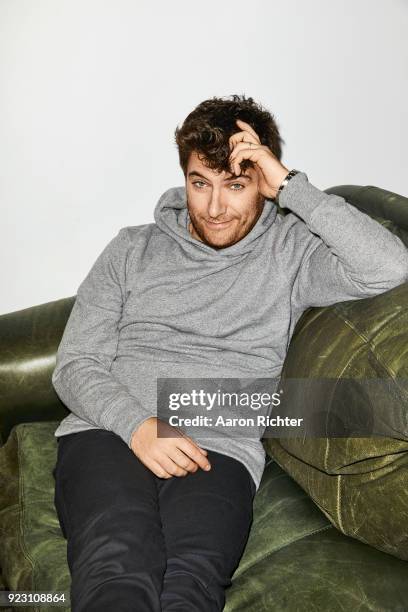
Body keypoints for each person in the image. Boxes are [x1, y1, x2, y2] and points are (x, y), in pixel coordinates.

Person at [52, 94, 408, 611]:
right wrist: (138, 425)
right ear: (185, 179)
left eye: (236, 185)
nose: (215, 208)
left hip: (219, 445)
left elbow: (389, 267)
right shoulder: (132, 249)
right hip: (108, 429)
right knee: (118, 566)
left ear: (260, 185)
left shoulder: (293, 251)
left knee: (191, 581)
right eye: (201, 183)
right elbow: (75, 365)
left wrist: (289, 185)